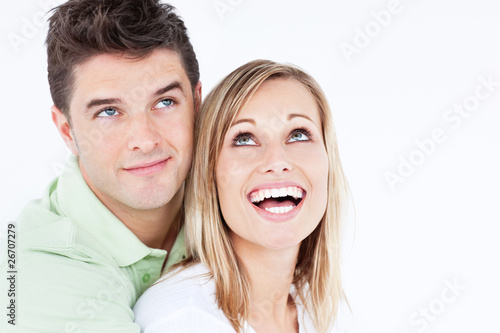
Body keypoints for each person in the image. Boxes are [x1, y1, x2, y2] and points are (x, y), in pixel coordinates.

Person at [0, 0, 201, 332]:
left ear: (197, 102)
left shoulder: (238, 193)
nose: (146, 140)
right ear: (67, 131)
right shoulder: (35, 272)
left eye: (164, 102)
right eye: (109, 111)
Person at [134, 59, 350, 332]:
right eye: (244, 138)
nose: (277, 160)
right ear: (209, 175)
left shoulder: (322, 308)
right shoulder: (183, 317)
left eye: (298, 134)